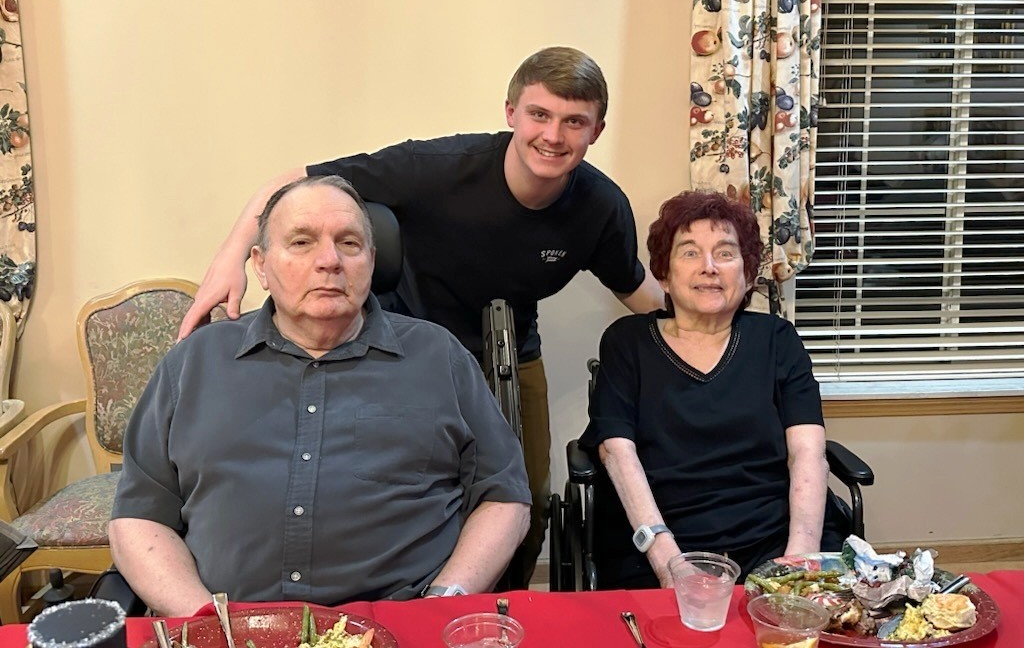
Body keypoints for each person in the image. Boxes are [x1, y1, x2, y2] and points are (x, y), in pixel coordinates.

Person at [176, 47, 665, 583]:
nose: (553, 135)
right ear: (511, 113)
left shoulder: (600, 206)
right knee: (412, 495)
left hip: (510, 353)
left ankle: (488, 610)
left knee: (527, 499)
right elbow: (297, 183)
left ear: (596, 131)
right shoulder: (438, 169)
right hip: (408, 352)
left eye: (574, 122)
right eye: (539, 115)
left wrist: (707, 321)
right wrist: (230, 257)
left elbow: (634, 286)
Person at [109, 176, 530, 616]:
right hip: (229, 630)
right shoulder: (193, 363)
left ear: (371, 260)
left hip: (401, 625)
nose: (329, 261)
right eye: (301, 242)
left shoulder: (438, 356)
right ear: (260, 265)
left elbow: (504, 495)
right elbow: (139, 516)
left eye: (349, 243)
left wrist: (443, 603)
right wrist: (206, 623)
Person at [579, 190, 845, 589]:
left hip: (773, 538)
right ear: (664, 274)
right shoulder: (627, 342)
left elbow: (808, 450)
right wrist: (668, 563)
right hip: (660, 541)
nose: (709, 267)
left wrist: (798, 559)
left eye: (725, 253)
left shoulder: (777, 340)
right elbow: (616, 451)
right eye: (689, 253)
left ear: (748, 273)